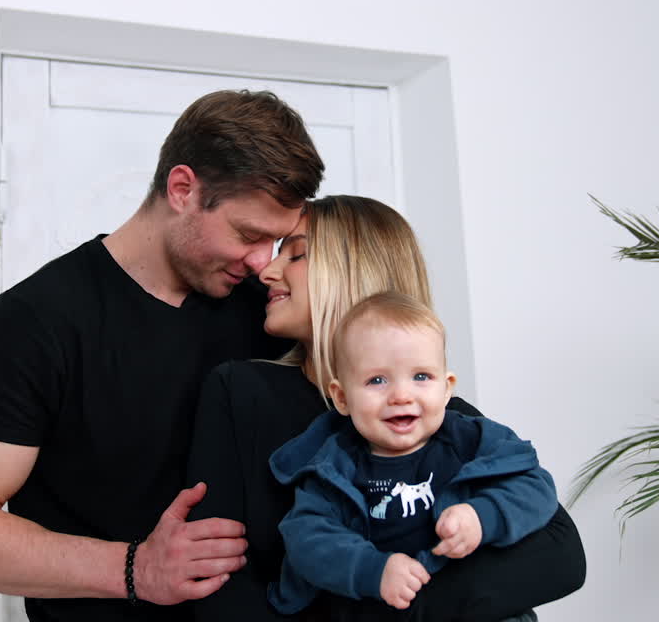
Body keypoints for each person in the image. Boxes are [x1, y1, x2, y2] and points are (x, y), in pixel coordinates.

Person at [0, 89, 325, 622]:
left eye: (276, 243)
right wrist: (136, 569)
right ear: (182, 189)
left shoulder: (270, 312)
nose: (259, 262)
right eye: (248, 234)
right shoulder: (33, 324)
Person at [186, 196, 586, 621]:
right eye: (376, 383)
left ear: (357, 269)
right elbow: (220, 580)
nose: (266, 271)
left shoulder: (448, 417)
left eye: (297, 254)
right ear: (341, 398)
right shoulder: (241, 391)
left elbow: (560, 556)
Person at [269, 291, 558, 615]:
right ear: (342, 398)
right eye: (377, 380)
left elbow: (536, 487)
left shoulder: (472, 441)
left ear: (446, 387)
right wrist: (372, 570)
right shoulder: (334, 466)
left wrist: (482, 516)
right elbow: (307, 539)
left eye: (421, 376)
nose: (401, 395)